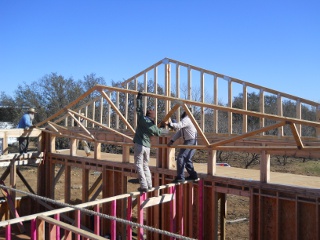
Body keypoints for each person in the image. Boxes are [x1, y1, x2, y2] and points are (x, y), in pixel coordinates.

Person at [133, 92, 164, 192]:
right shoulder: (152, 125)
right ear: (153, 117)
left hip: (139, 145)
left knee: (139, 165)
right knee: (145, 165)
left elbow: (139, 109)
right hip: (147, 147)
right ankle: (149, 184)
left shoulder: (142, 119)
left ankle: (144, 186)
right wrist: (164, 128)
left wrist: (139, 98)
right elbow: (159, 133)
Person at [167, 109, 198, 182]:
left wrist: (170, 124)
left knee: (180, 157)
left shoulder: (187, 119)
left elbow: (178, 125)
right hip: (192, 141)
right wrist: (172, 140)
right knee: (187, 159)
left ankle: (180, 177)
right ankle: (193, 175)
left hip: (190, 141)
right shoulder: (187, 120)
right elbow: (180, 133)